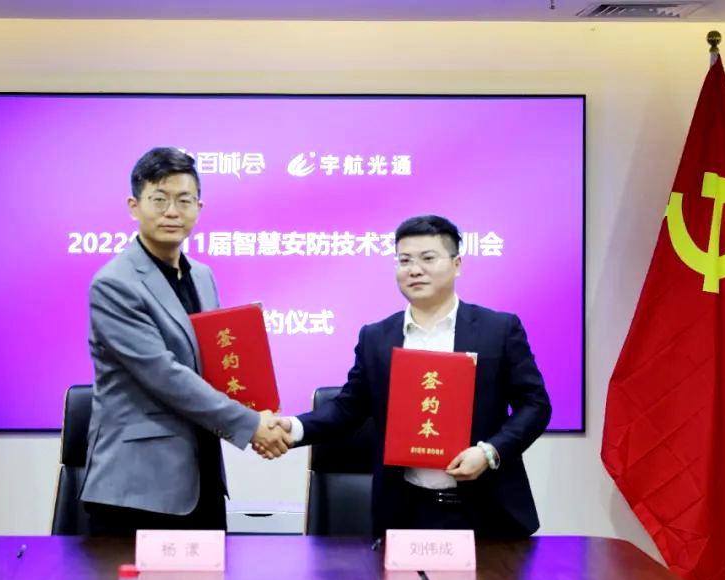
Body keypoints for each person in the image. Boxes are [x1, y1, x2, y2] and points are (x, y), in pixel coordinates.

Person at [283, 215, 551, 539]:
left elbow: (535, 405)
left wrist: (489, 452)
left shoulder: (499, 330)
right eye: (405, 260)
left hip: (488, 511)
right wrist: (291, 428)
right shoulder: (376, 337)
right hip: (405, 510)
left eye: (428, 258)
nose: (414, 270)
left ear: (456, 265)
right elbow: (347, 409)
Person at [81, 147, 291, 535]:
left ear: (199, 207)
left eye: (184, 200)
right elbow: (165, 375)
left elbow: (215, 363)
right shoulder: (114, 284)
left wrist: (258, 410)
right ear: (134, 206)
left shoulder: (202, 277)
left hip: (201, 479)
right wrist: (250, 424)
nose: (172, 212)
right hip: (139, 489)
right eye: (159, 199)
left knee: (207, 579)